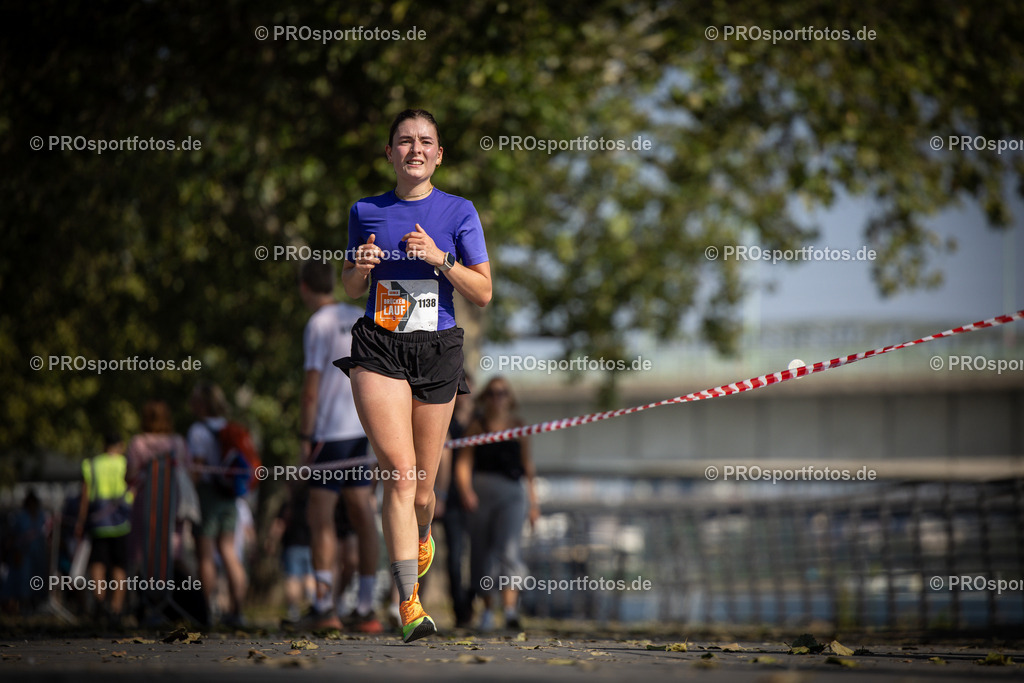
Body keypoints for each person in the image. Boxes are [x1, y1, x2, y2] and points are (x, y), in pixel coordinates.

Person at [335, 108, 492, 642]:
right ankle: (409, 603)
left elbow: (484, 292)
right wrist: (360, 265)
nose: (415, 149)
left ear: (439, 154)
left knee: (424, 488)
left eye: (426, 141)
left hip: (437, 348)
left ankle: (422, 530)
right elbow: (351, 287)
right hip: (378, 346)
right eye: (404, 141)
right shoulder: (366, 209)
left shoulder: (459, 211)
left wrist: (441, 259)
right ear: (390, 153)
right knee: (399, 475)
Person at [299, 259, 382, 633]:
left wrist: (305, 438)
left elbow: (311, 387)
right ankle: (366, 607)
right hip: (363, 429)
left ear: (304, 287)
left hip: (329, 433)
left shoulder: (318, 323)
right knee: (364, 517)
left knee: (321, 520)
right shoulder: (359, 313)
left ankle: (323, 605)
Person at [456, 376, 539, 631]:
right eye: (492, 392)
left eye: (502, 392)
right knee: (482, 553)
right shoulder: (476, 426)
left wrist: (534, 503)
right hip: (481, 493)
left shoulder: (518, 426)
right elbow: (463, 463)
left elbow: (527, 466)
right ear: (485, 397)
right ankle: (488, 610)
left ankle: (511, 610)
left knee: (509, 549)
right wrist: (466, 490)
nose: (497, 397)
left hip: (512, 494)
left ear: (510, 397)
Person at [186, 383, 247, 627]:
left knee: (205, 555)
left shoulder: (198, 431)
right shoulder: (228, 426)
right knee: (229, 551)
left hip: (208, 495)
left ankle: (205, 613)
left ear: (201, 404)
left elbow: (198, 470)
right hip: (230, 495)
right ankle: (237, 610)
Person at [125, 401, 190, 578]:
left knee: (144, 547)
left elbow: (130, 476)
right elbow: (188, 471)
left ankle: (147, 593)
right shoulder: (177, 442)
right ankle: (169, 591)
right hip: (172, 502)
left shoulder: (138, 442)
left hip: (146, 502)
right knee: (171, 547)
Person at [75, 433, 132, 624]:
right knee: (119, 566)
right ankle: (116, 609)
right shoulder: (125, 463)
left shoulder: (91, 464)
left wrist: (81, 521)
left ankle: (99, 604)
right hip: (122, 522)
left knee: (98, 563)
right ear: (120, 445)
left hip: (98, 522)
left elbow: (85, 496)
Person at [436, 372, 476, 627]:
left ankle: (471, 602)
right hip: (449, 500)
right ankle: (460, 609)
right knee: (454, 556)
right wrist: (439, 494)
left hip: (476, 498)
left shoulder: (480, 421)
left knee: (481, 558)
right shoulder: (442, 421)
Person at [267, 483, 315, 623]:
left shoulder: (288, 505)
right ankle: (312, 606)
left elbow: (279, 525)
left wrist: (272, 541)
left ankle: (293, 610)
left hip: (292, 547)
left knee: (292, 579)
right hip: (311, 546)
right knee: (309, 578)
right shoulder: (314, 502)